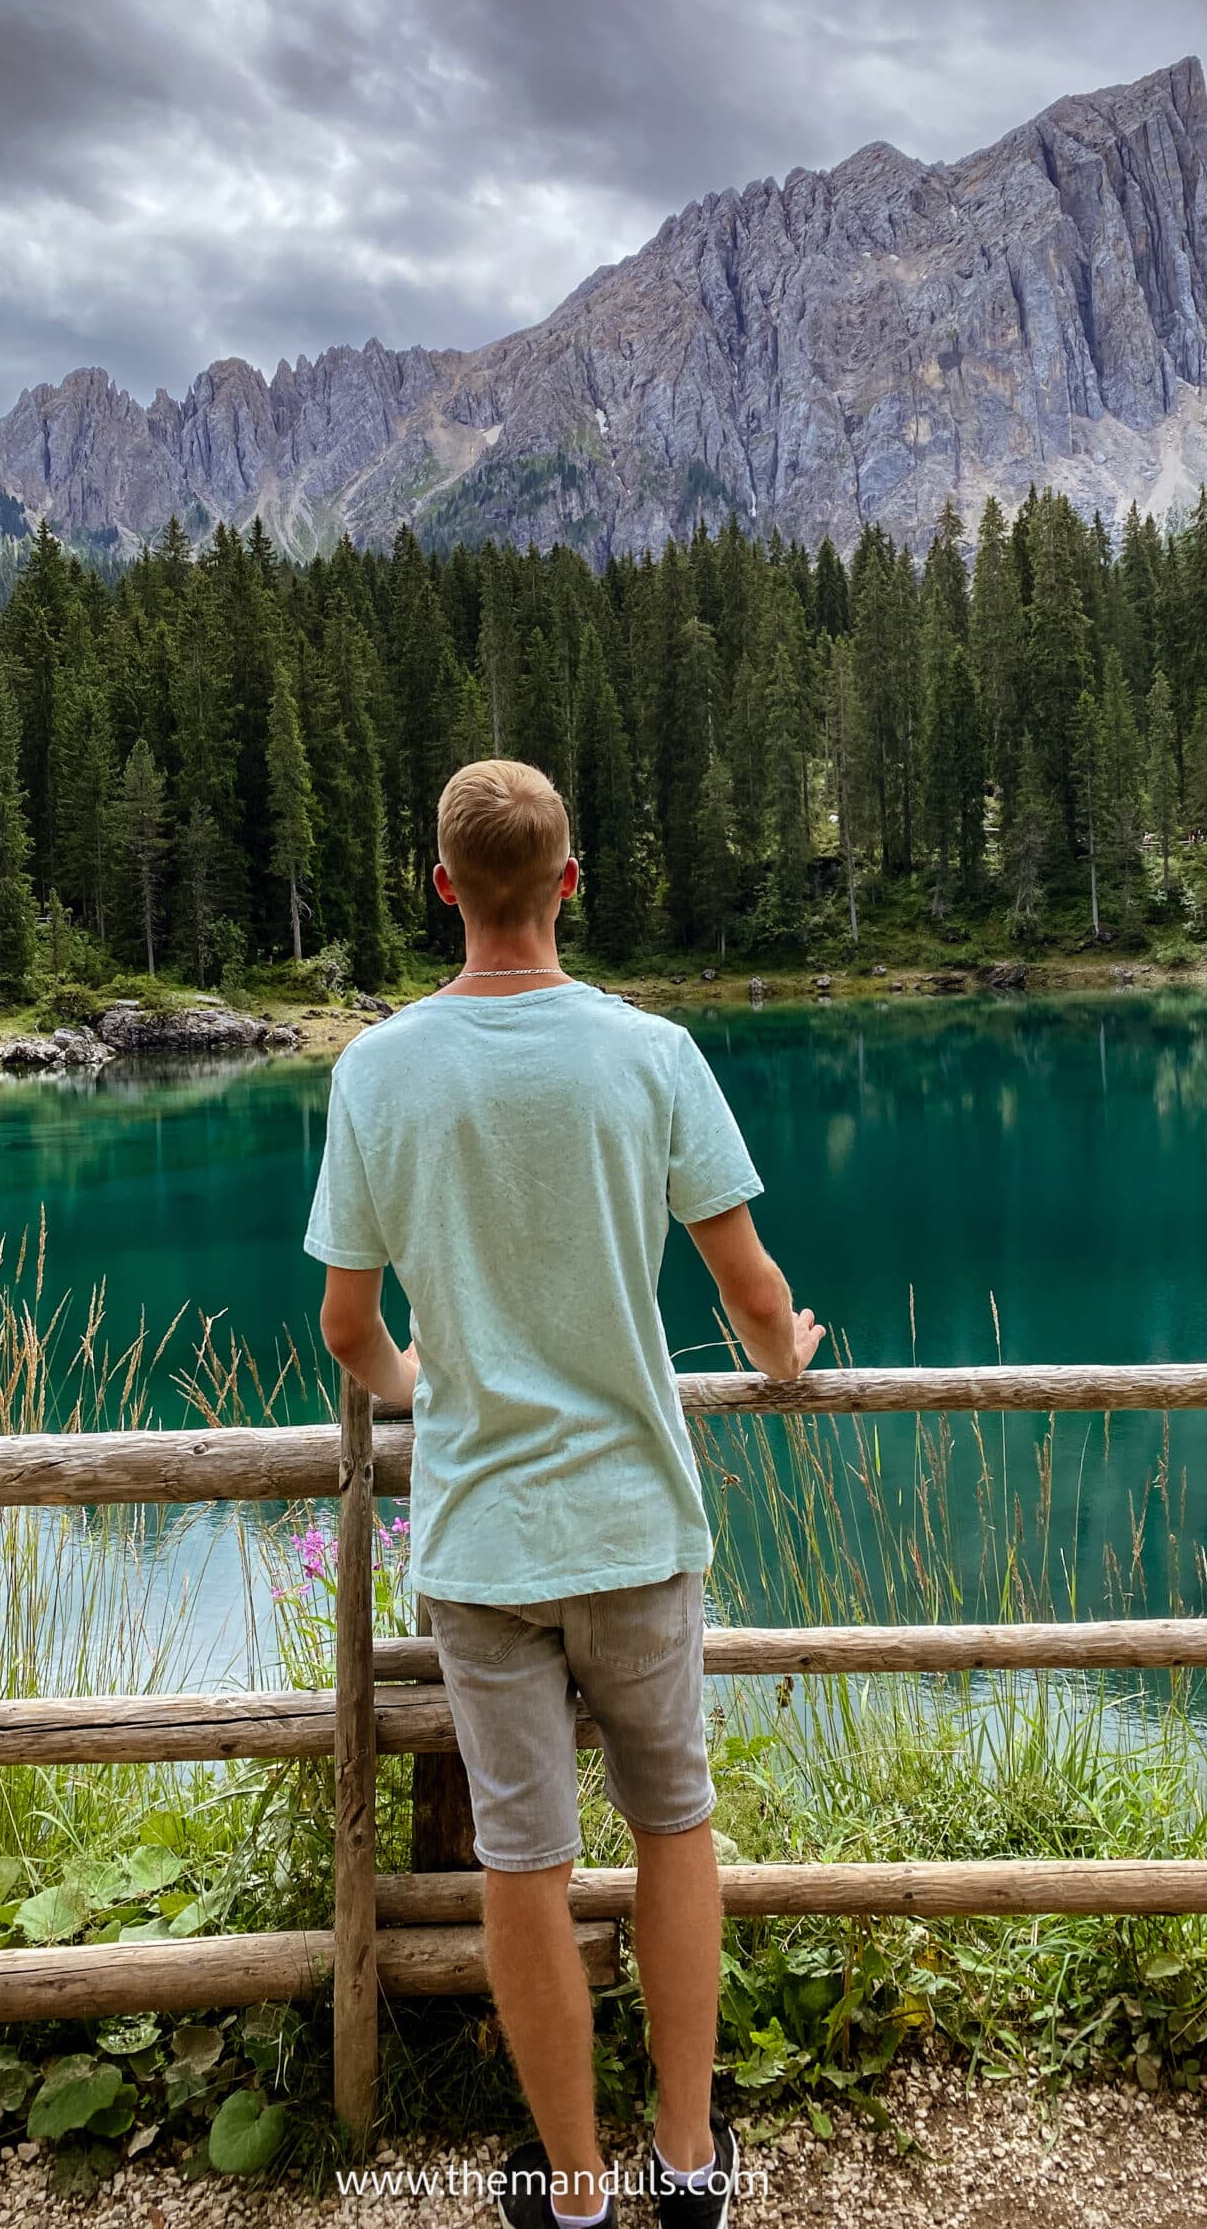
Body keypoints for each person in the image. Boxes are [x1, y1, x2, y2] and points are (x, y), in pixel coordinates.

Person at [306, 758, 823, 2229]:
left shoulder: (376, 1070)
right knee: (676, 1826)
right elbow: (749, 1289)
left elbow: (349, 1328)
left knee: (523, 1859)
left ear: (445, 886)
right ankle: (692, 2165)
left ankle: (578, 2193)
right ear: (573, 883)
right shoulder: (652, 1056)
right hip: (637, 1524)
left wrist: (428, 1392)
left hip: (484, 1540)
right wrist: (787, 1359)